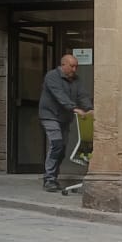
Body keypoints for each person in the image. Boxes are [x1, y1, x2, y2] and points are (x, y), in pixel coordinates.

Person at [38, 54, 92, 192]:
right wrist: (74, 108)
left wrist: (89, 109)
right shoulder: (52, 76)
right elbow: (59, 95)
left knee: (62, 148)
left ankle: (53, 177)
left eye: (76, 66)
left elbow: (83, 95)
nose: (74, 69)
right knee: (56, 143)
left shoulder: (76, 80)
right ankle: (49, 178)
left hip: (65, 118)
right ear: (63, 65)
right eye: (72, 66)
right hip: (50, 115)